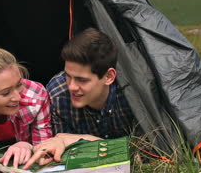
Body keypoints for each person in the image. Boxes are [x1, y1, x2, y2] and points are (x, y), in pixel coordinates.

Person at [24, 28, 135, 169]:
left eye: (82, 80)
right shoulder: (58, 94)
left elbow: (145, 150)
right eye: (67, 76)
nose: (71, 86)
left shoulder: (132, 95)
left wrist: (83, 140)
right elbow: (63, 152)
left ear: (108, 77)